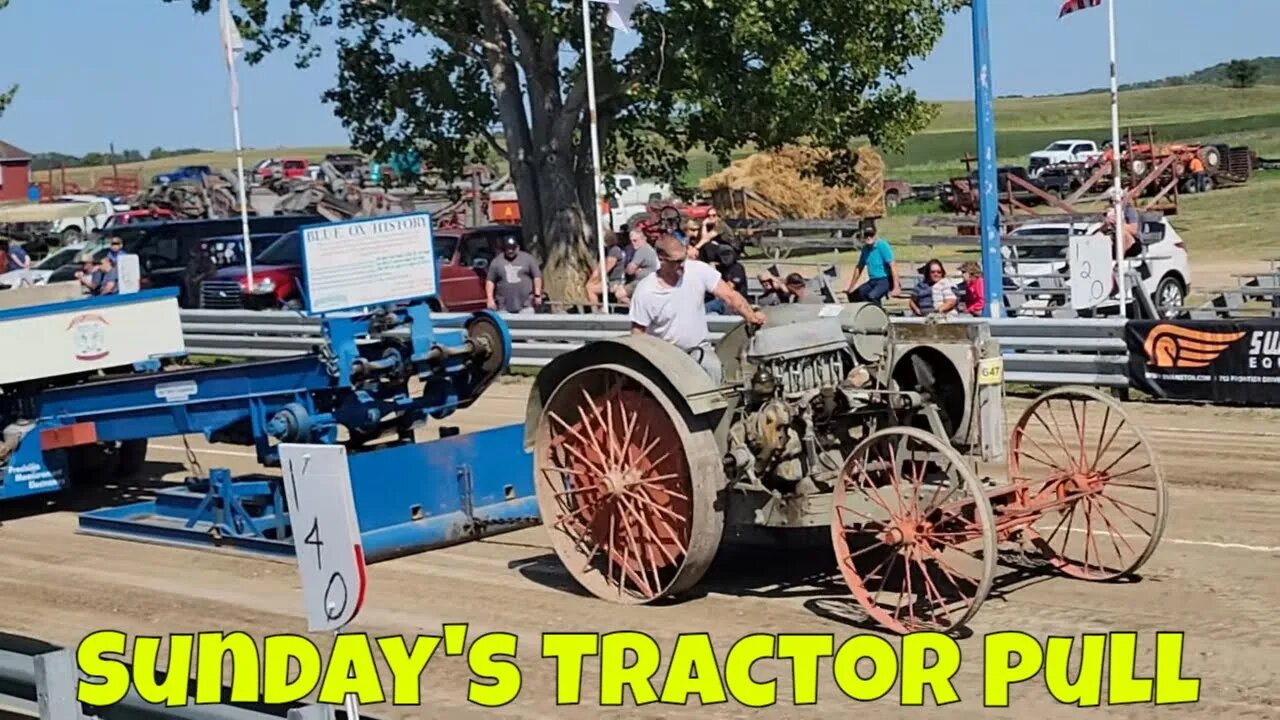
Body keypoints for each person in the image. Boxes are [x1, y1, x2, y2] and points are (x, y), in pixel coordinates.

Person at [630, 234, 766, 383]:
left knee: (717, 374)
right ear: (661, 259)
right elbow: (638, 335)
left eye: (684, 259)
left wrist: (751, 316)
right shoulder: (646, 292)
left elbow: (729, 295)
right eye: (676, 262)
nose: (682, 265)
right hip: (667, 356)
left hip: (699, 349)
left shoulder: (698, 270)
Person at [844, 219, 899, 305]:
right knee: (854, 296)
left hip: (885, 280)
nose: (869, 237)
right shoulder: (865, 249)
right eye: (866, 235)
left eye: (871, 235)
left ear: (875, 235)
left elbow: (892, 265)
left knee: (872, 296)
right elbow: (859, 267)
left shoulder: (882, 245)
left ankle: (879, 314)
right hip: (873, 280)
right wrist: (851, 287)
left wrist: (896, 287)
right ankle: (864, 314)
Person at [485, 236, 543, 313]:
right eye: (508, 248)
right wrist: (490, 299)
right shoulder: (496, 261)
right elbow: (490, 281)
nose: (510, 250)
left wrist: (537, 295)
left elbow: (537, 277)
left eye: (513, 248)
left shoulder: (528, 259)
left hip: (526, 305)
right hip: (503, 306)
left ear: (518, 247)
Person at [612, 225, 660, 306]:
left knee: (619, 293)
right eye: (631, 241)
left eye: (635, 240)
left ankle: (634, 308)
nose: (633, 244)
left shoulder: (642, 250)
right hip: (644, 281)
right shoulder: (646, 248)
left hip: (643, 282)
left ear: (643, 239)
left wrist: (632, 268)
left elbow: (630, 271)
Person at [705, 245, 748, 314]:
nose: (726, 257)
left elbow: (729, 288)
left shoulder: (737, 268)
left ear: (733, 255)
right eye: (723, 254)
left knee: (704, 308)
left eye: (728, 254)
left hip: (735, 302)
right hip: (722, 302)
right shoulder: (720, 269)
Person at [586, 230, 626, 307]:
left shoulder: (614, 250)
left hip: (616, 281)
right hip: (610, 280)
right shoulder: (608, 250)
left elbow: (607, 268)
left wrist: (596, 279)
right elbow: (600, 266)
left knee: (590, 288)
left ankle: (596, 310)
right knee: (590, 285)